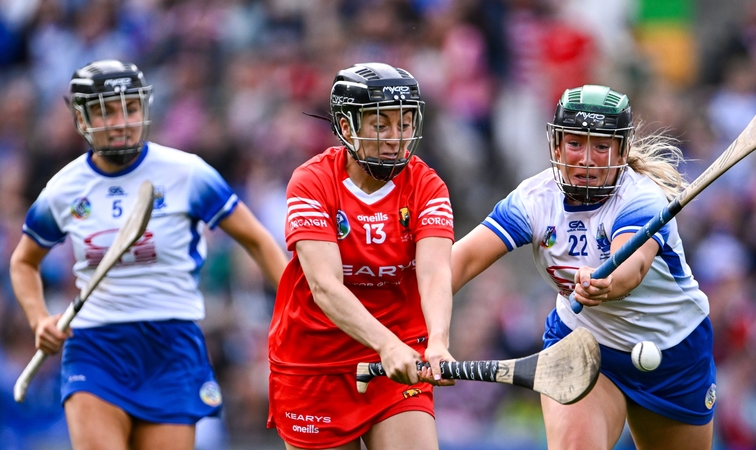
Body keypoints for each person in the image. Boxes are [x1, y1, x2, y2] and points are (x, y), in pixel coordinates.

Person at [9, 59, 288, 450]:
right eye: (106, 111)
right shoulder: (64, 189)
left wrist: (298, 309)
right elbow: (23, 261)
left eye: (131, 108)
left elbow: (258, 241)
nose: (122, 121)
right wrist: (39, 318)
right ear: (81, 118)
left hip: (171, 346)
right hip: (96, 346)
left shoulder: (187, 173)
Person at [451, 85, 716, 449]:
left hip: (674, 352)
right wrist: (404, 325)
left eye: (601, 146)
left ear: (622, 151)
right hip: (583, 341)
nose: (587, 159)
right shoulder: (533, 200)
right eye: (575, 143)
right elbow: (460, 260)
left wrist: (606, 284)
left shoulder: (642, 199)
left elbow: (631, 268)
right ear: (556, 146)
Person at [266, 62, 456, 450]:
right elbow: (324, 285)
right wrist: (385, 344)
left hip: (400, 360)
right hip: (314, 364)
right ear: (347, 127)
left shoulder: (426, 185)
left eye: (403, 123)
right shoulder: (312, 182)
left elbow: (435, 272)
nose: (395, 138)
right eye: (380, 124)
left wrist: (436, 339)